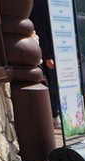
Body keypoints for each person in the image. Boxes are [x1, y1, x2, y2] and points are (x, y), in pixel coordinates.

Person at [30, 0, 60, 130]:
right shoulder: (40, 3)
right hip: (51, 54)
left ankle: (72, 119)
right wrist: (48, 56)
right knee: (55, 86)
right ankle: (55, 117)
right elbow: (41, 30)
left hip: (64, 53)